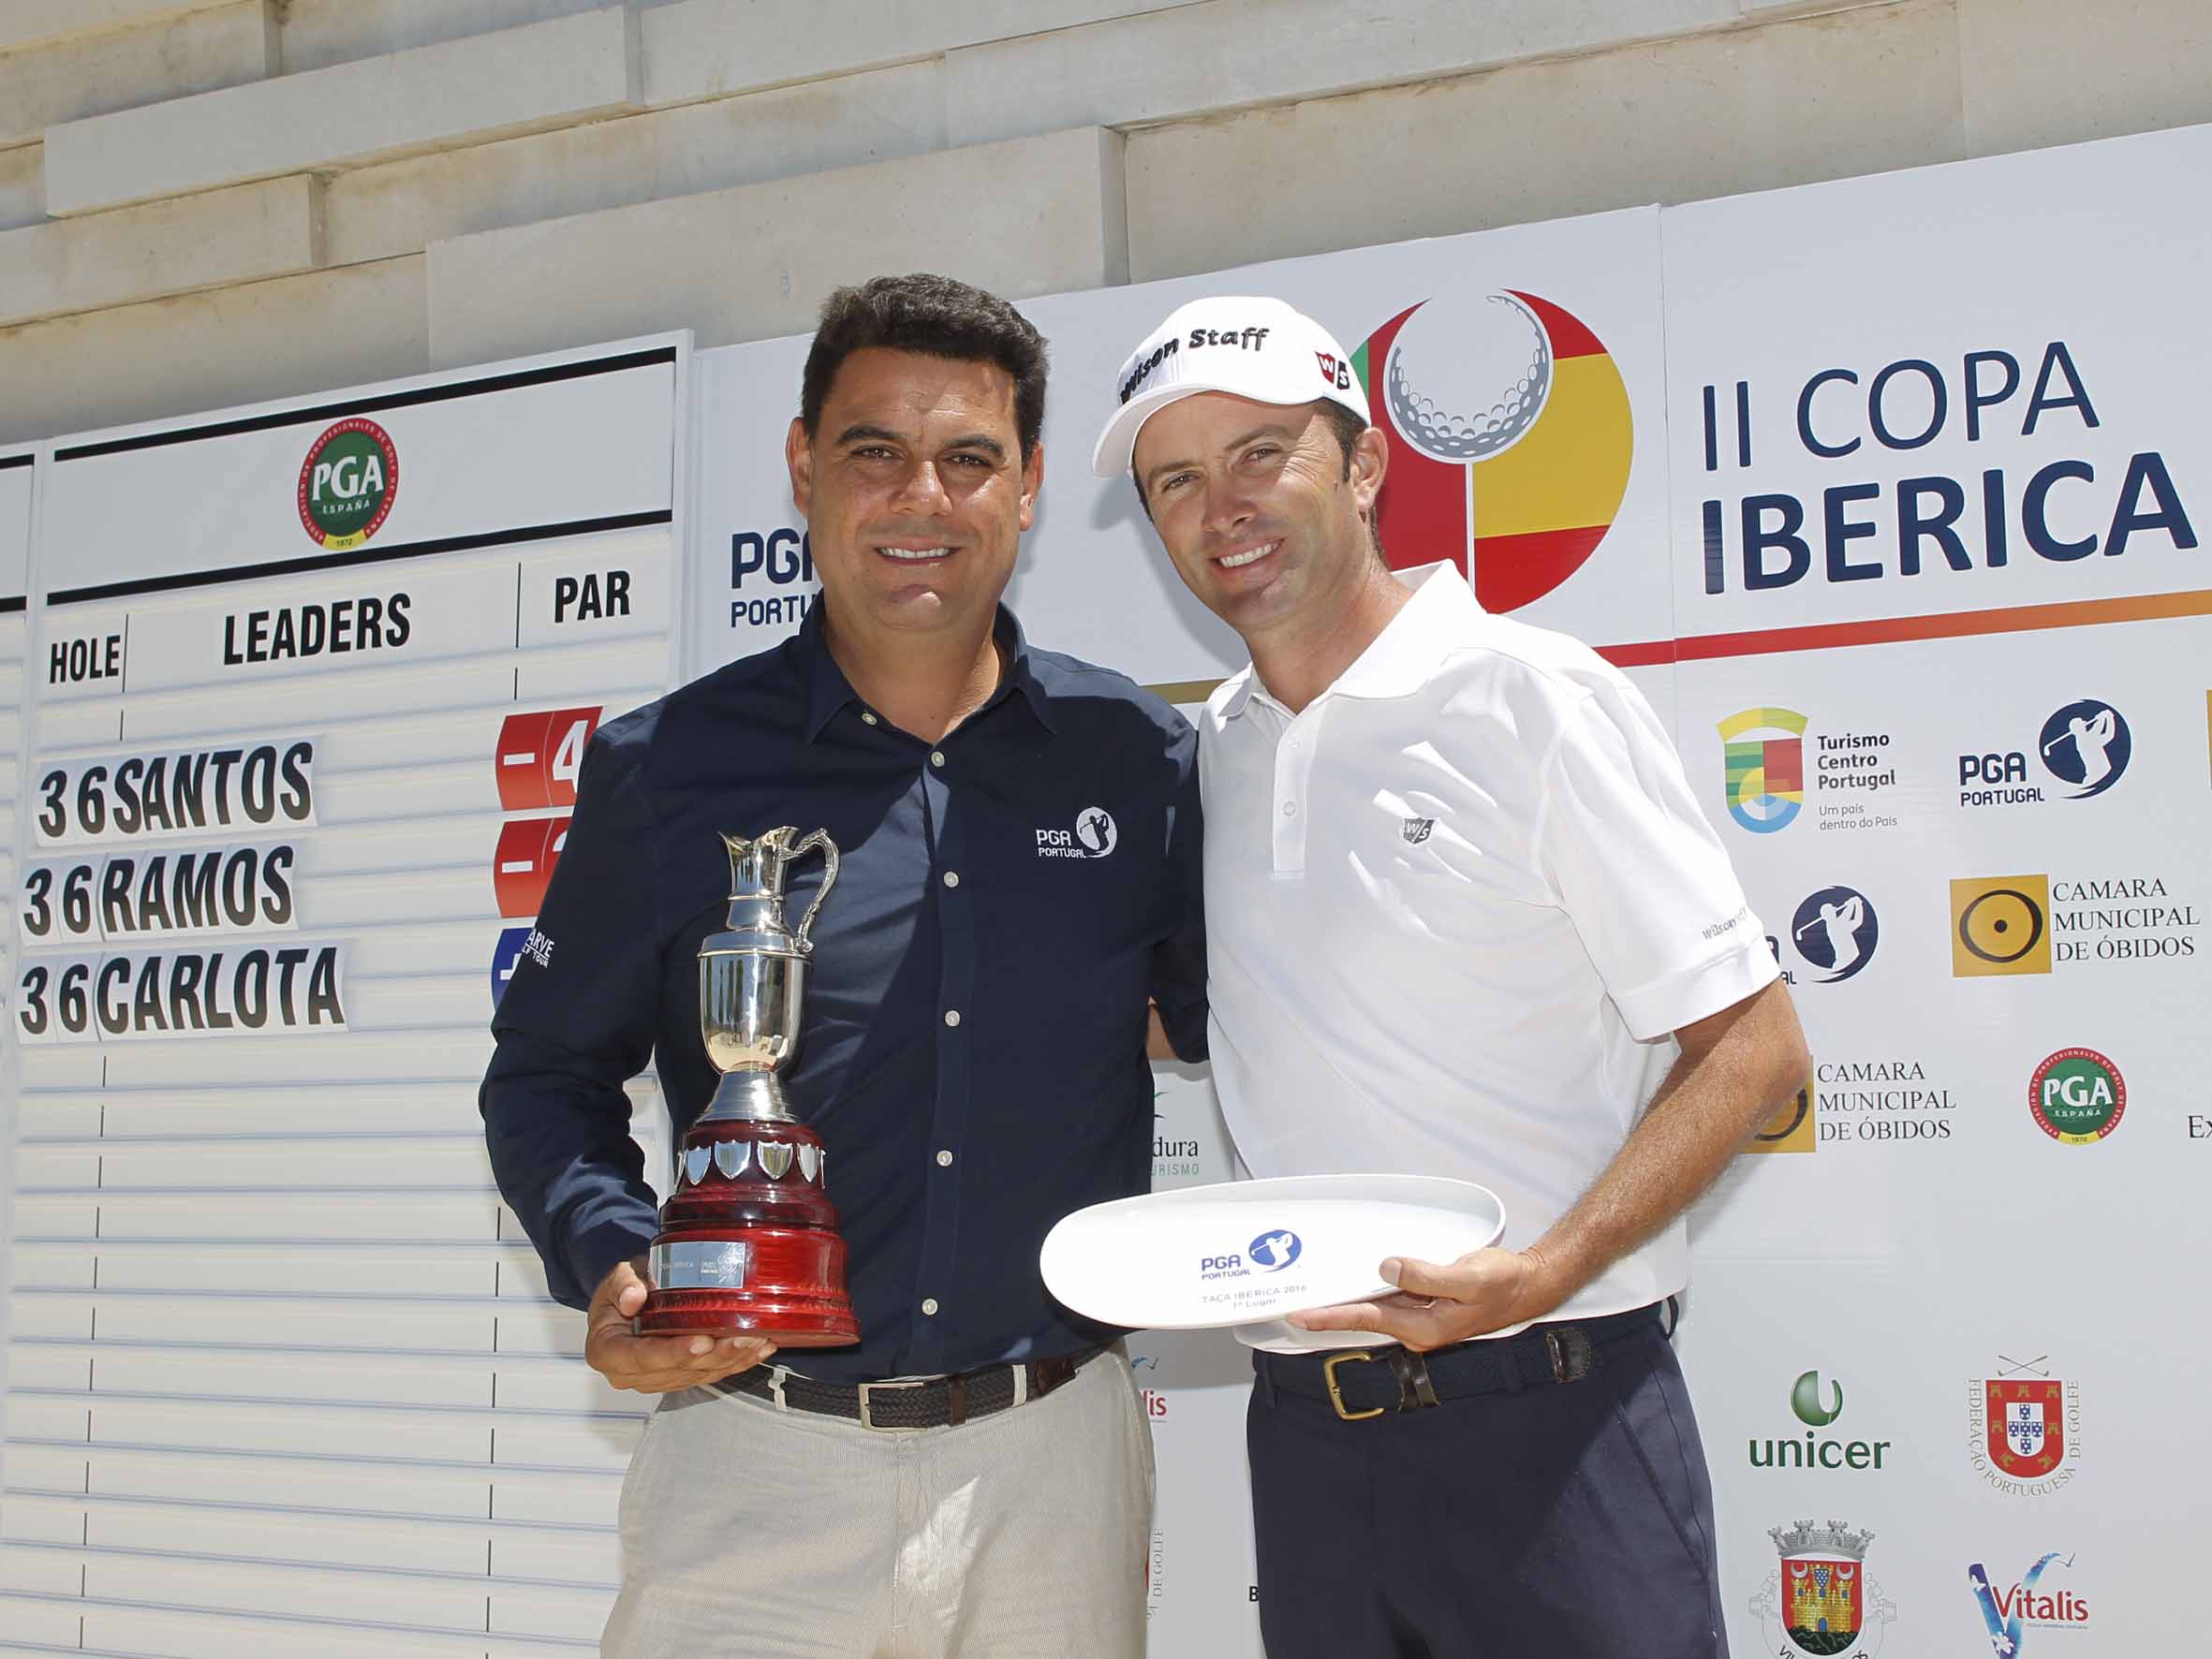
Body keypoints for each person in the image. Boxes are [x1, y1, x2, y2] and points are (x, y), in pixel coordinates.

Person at [483, 273, 1207, 1658]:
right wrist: (622, 1266)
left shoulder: (1141, 763)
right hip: (754, 1457)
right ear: (805, 469)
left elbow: (1236, 1018)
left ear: (1031, 487)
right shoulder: (666, 767)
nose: (918, 495)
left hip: (1049, 1463)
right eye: (873, 451)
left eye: (969, 459)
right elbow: (544, 1075)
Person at [1093, 295, 1811, 1658]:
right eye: (1175, 481)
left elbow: (1755, 1047)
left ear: (1362, 466)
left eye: (1261, 454)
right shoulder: (1212, 753)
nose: (1220, 506)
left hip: (1554, 1410)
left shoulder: (1531, 695)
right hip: (1308, 1435)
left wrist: (1547, 1269)